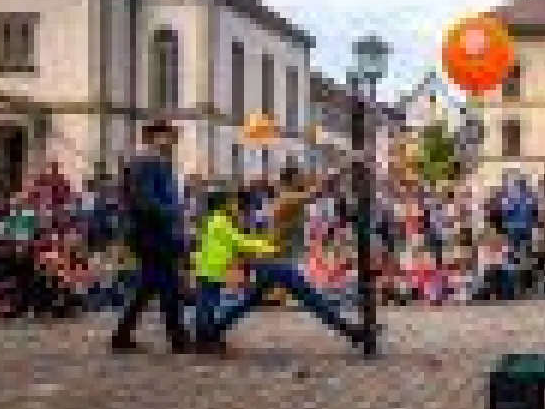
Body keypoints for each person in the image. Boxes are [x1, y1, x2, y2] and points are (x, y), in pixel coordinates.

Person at [213, 166, 367, 347]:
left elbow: (316, 189)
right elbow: (316, 192)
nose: (302, 181)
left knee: (248, 301)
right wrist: (343, 167)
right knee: (312, 299)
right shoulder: (288, 198)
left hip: (271, 261)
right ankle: (351, 332)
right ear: (291, 180)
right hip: (276, 262)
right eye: (299, 178)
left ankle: (213, 329)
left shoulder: (285, 198)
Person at [110, 121, 191, 353]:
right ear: (153, 137)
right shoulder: (145, 162)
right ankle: (177, 337)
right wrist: (172, 212)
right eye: (167, 136)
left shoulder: (161, 163)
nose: (172, 140)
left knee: (152, 286)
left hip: (161, 233)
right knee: (168, 285)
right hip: (151, 234)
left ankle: (123, 335)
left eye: (173, 136)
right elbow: (143, 202)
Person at [191, 190, 277, 354]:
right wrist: (267, 248)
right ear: (221, 204)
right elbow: (238, 241)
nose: (232, 205)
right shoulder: (219, 221)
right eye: (229, 202)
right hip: (211, 270)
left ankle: (207, 339)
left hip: (209, 269)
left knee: (208, 305)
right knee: (208, 306)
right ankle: (206, 340)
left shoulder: (211, 220)